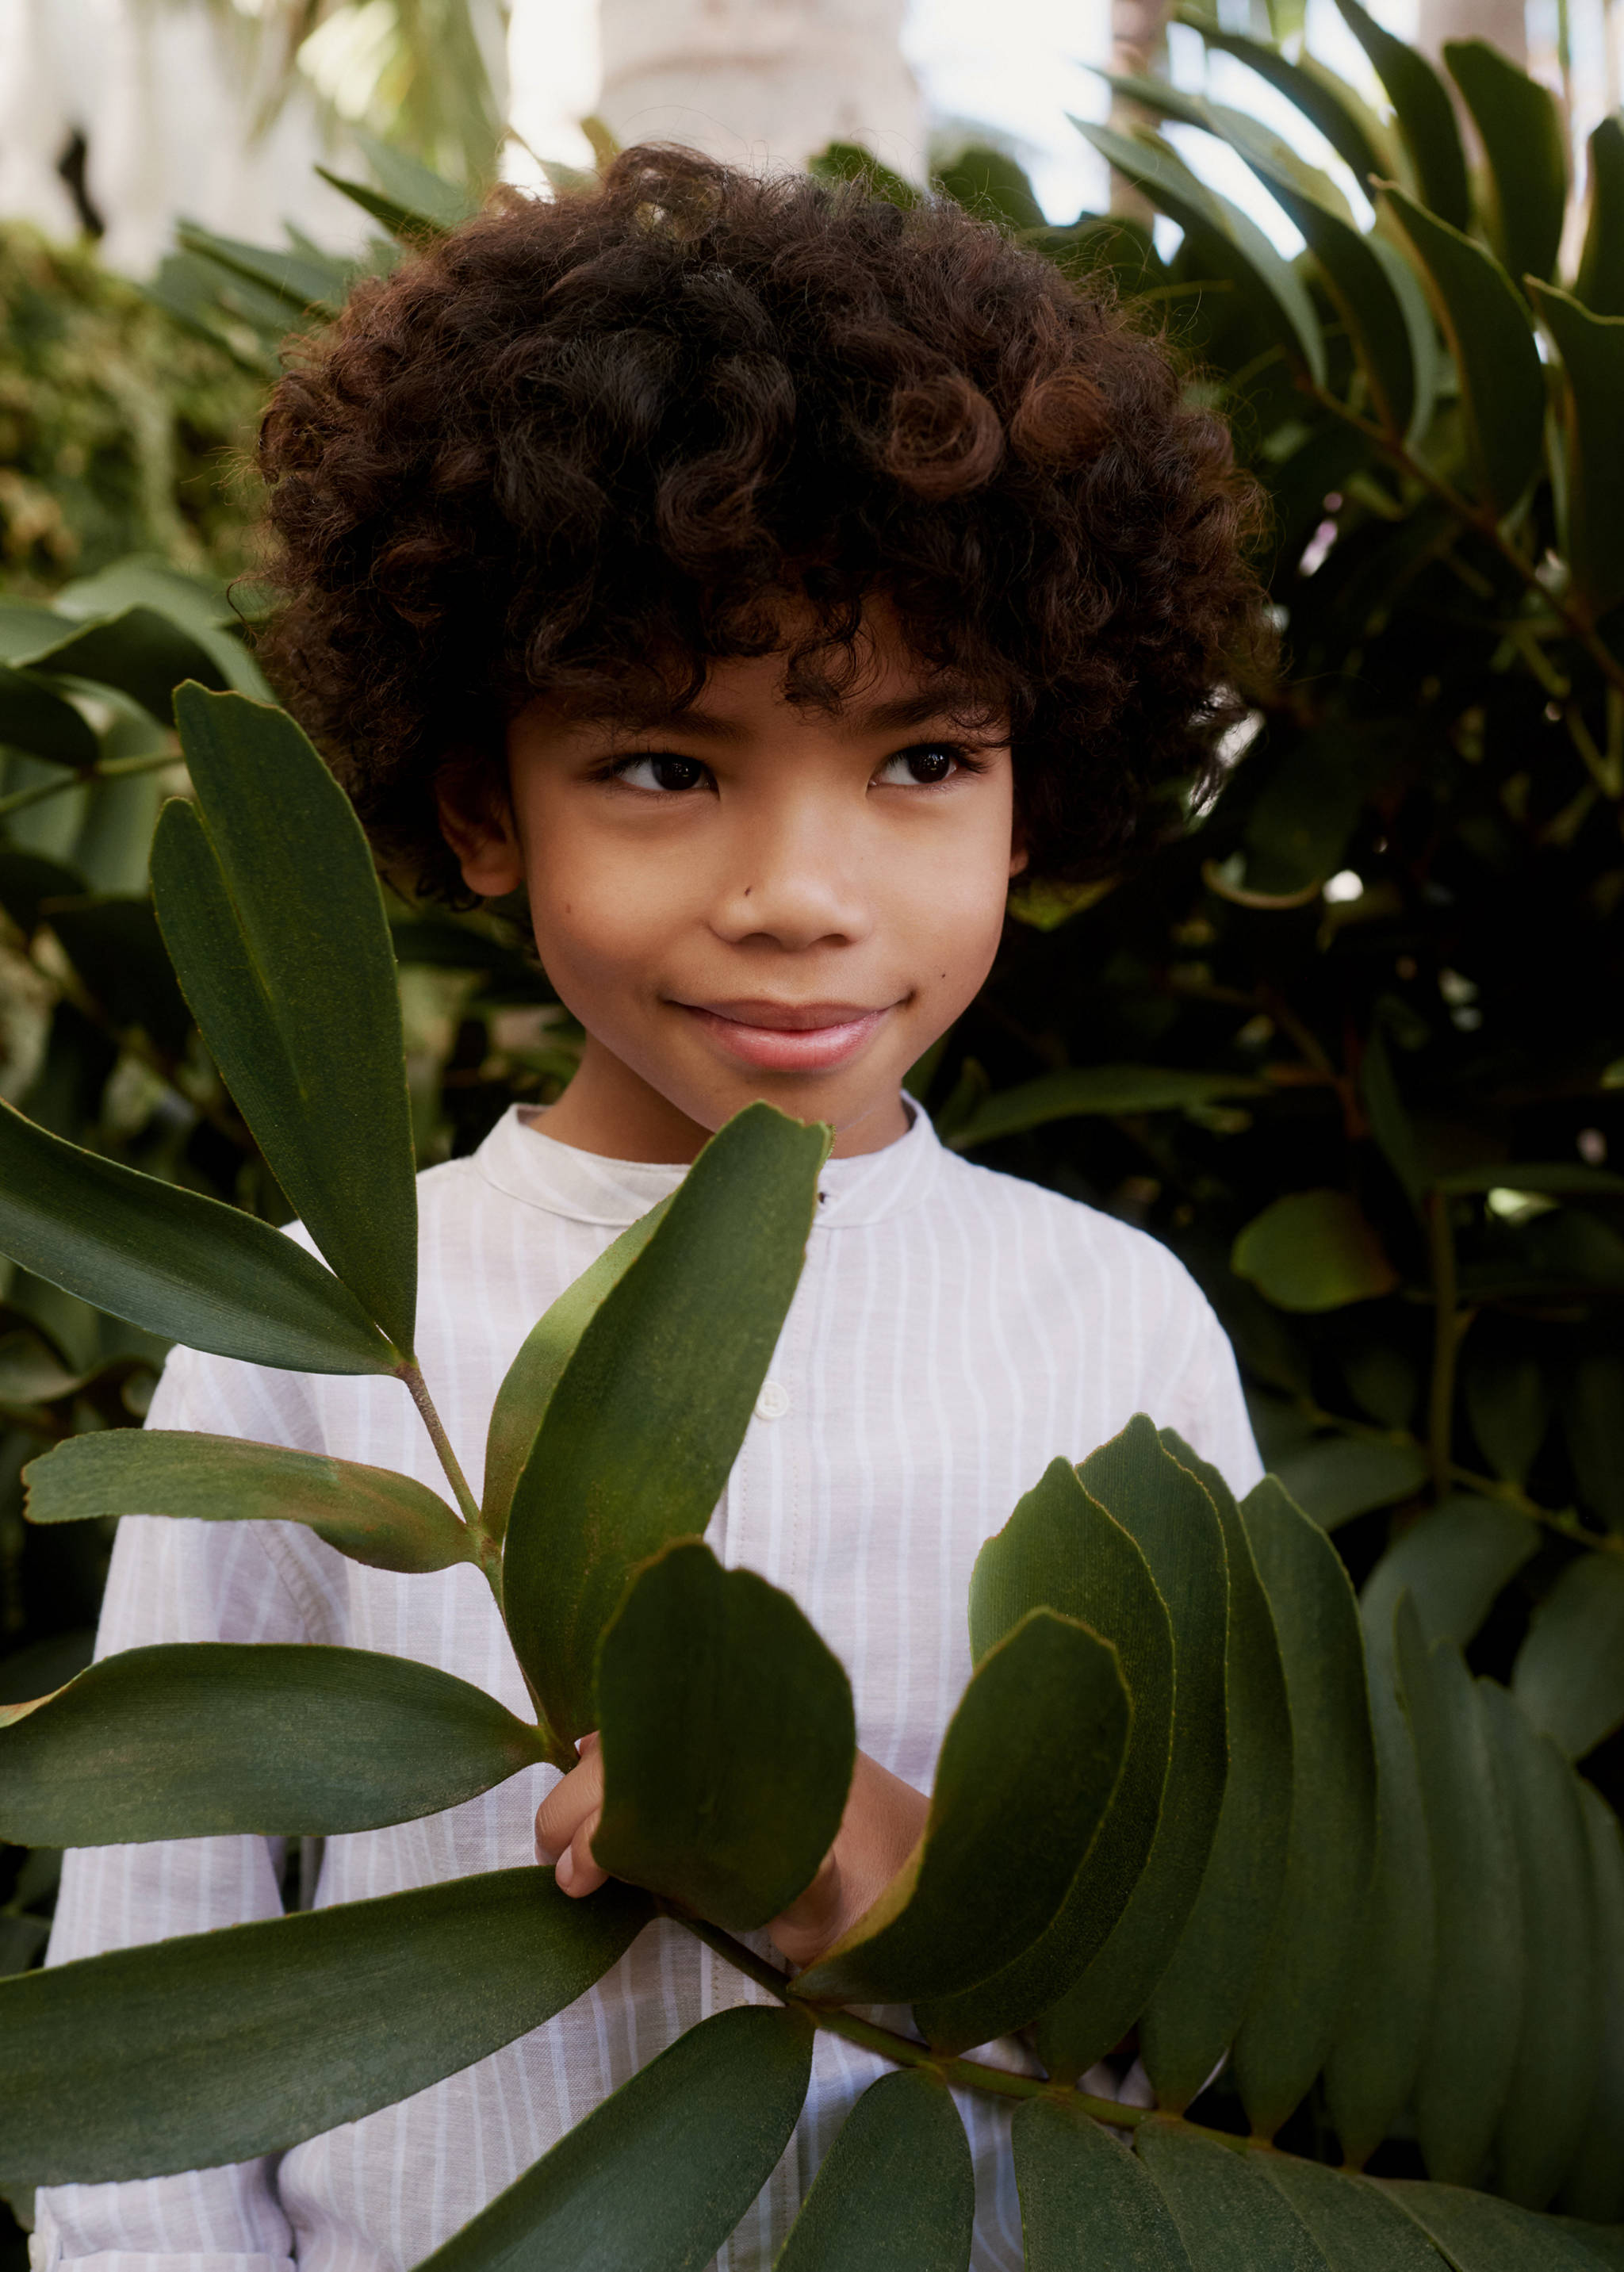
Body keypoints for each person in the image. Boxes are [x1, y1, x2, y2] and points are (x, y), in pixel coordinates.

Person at [36, 146, 1270, 2272]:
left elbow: (1219, 2018)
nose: (801, 893)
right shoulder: (329, 1328)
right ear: (472, 804)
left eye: (919, 762)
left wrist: (857, 1860)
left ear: (1034, 777)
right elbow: (143, 2066)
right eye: (667, 769)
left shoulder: (1117, 1330)